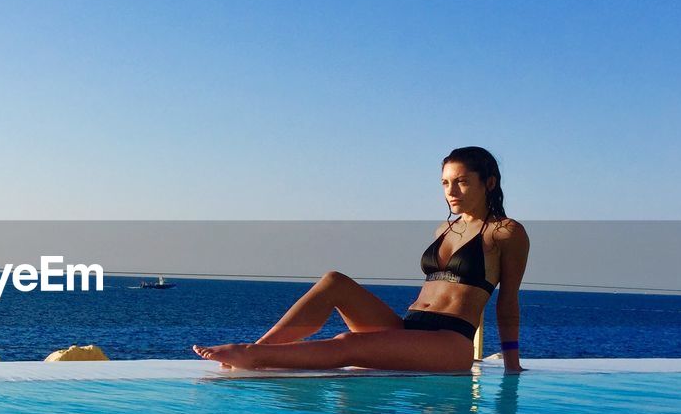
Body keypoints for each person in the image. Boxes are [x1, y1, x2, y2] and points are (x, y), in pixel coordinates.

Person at [193, 146, 529, 373]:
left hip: (450, 342)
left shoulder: (506, 233)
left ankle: (254, 357)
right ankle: (257, 350)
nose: (451, 191)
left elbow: (508, 302)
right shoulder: (446, 228)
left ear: (489, 183)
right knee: (334, 282)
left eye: (462, 182)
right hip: (409, 328)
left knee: (348, 343)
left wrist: (512, 365)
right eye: (445, 182)